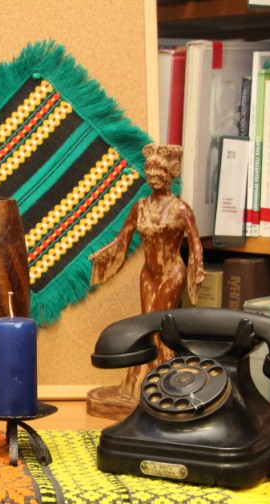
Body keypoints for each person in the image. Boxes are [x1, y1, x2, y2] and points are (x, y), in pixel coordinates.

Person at [90, 143, 206, 397]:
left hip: (172, 272)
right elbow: (123, 237)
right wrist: (103, 254)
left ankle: (162, 384)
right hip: (149, 274)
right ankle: (139, 383)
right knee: (145, 325)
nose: (153, 176)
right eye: (149, 171)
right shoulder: (140, 206)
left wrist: (197, 269)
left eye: (159, 171)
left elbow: (195, 242)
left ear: (170, 173)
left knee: (159, 326)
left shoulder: (181, 209)